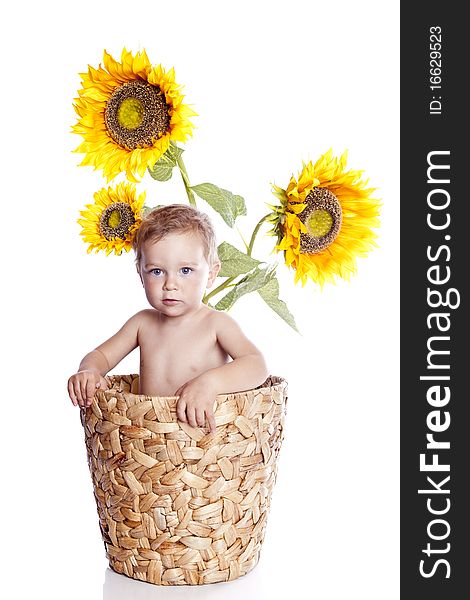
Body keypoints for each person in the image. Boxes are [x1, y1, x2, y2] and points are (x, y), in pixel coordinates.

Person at [67, 204, 269, 433]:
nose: (170, 285)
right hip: (148, 439)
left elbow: (257, 365)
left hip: (200, 441)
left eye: (185, 271)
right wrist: (89, 371)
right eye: (156, 271)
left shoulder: (216, 323)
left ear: (211, 274)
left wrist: (210, 383)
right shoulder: (142, 323)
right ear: (140, 274)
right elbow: (101, 355)